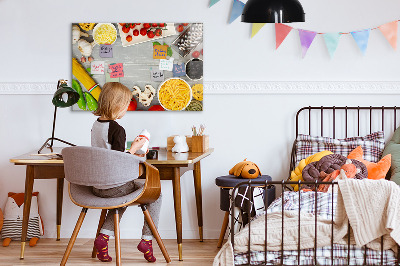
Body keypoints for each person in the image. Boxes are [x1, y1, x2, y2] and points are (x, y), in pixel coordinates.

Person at [90, 82, 161, 263]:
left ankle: (103, 238)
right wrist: (136, 148)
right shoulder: (117, 129)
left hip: (97, 186)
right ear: (117, 105)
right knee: (155, 194)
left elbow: (108, 154)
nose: (126, 110)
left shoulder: (96, 125)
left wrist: (130, 150)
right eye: (125, 106)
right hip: (114, 186)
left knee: (121, 198)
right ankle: (147, 240)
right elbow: (120, 160)